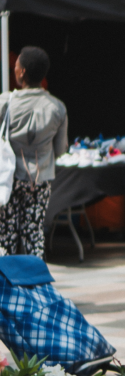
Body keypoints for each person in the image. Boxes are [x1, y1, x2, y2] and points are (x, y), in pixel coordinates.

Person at [0, 47, 67, 258]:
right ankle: (34, 287)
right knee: (34, 234)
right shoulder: (57, 107)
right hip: (39, 179)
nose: (14, 68)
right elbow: (60, 149)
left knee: (5, 236)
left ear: (22, 72)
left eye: (16, 65)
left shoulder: (5, 103)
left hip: (7, 180)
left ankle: (5, 287)